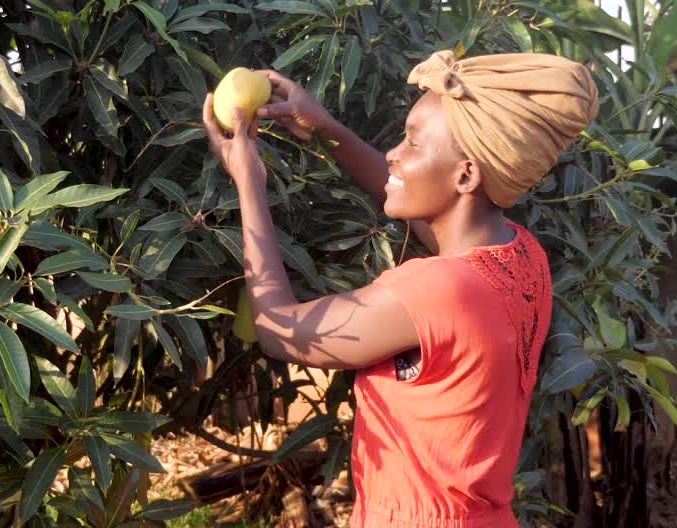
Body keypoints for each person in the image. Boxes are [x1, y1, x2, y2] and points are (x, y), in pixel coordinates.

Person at [201, 49, 599, 528]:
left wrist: (249, 183)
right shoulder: (521, 257)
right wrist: (326, 129)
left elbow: (280, 330)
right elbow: (412, 197)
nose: (394, 153)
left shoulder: (434, 289)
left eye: (412, 143)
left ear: (466, 174)